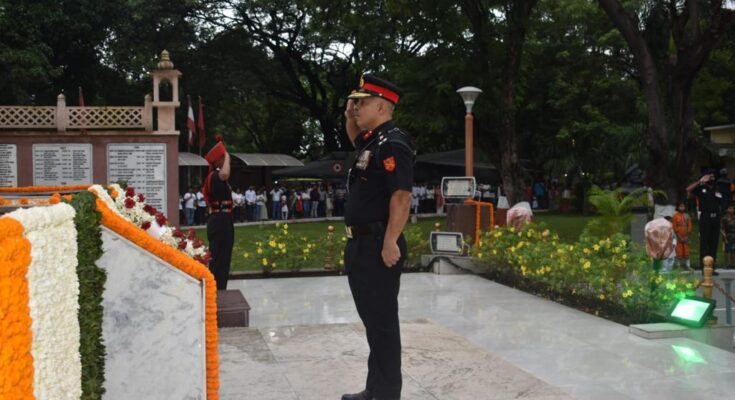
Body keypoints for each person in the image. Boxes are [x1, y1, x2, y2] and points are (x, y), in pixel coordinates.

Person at [341, 74, 415, 400]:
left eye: (362, 102)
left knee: (383, 323)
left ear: (381, 106)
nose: (356, 107)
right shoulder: (373, 141)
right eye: (355, 102)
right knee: (373, 322)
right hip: (361, 244)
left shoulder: (393, 142)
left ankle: (386, 394)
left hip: (377, 245)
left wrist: (390, 241)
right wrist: (349, 115)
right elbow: (354, 135)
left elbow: (401, 196)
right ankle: (374, 389)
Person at [202, 135, 234, 290]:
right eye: (224, 158)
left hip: (222, 219)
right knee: (220, 258)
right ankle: (217, 289)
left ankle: (219, 287)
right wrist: (227, 156)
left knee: (222, 256)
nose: (228, 161)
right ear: (219, 160)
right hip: (220, 220)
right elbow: (225, 174)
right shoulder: (216, 175)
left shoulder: (214, 176)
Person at [686, 170, 723, 275]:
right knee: (704, 242)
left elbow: (722, 201)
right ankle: (704, 267)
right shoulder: (701, 188)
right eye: (709, 176)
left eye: (712, 176)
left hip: (715, 217)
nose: (711, 178)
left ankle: (712, 267)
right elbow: (688, 190)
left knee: (713, 243)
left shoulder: (717, 188)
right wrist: (699, 182)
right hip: (705, 217)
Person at [672, 202, 692, 270]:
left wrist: (687, 235)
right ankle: (678, 266)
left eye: (683, 206)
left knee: (686, 251)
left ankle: (688, 266)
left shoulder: (687, 215)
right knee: (678, 251)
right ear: (678, 207)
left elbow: (689, 225)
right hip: (678, 235)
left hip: (686, 235)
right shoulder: (675, 216)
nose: (682, 208)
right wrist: (678, 236)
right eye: (680, 206)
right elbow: (674, 227)